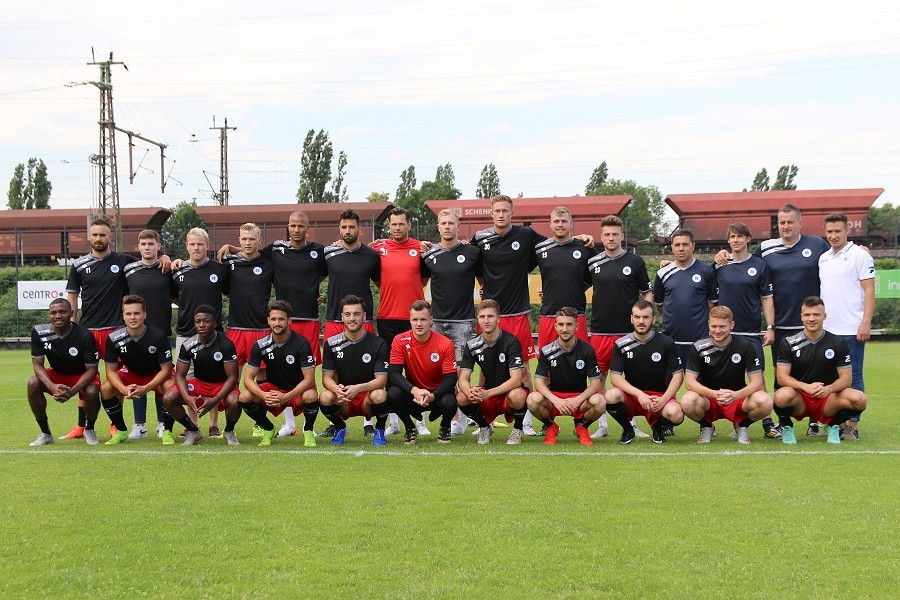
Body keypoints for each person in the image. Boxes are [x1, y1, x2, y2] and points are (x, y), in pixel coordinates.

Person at [715, 204, 830, 436]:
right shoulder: (765, 249)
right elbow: (743, 260)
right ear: (777, 224)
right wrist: (722, 254)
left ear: (800, 222)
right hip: (782, 325)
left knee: (816, 372)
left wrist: (860, 249)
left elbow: (837, 254)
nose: (786, 226)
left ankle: (815, 423)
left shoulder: (817, 244)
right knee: (781, 376)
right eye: (782, 222)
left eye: (790, 221)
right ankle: (781, 422)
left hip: (810, 321)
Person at [218, 212, 327, 438]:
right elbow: (251, 251)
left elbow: (325, 271)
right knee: (280, 373)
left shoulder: (319, 250)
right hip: (284, 319)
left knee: (308, 372)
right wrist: (230, 246)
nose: (296, 230)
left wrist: (313, 291)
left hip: (309, 320)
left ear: (308, 228)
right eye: (293, 226)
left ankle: (310, 427)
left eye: (301, 226)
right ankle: (288, 424)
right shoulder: (276, 249)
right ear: (288, 227)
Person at [65, 218, 168, 439]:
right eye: (95, 235)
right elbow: (71, 296)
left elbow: (148, 262)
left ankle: (116, 425)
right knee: (87, 380)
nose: (99, 239)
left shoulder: (124, 262)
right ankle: (81, 426)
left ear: (110, 237)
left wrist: (166, 257)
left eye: (103, 235)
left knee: (119, 378)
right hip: (88, 330)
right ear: (89, 237)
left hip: (117, 331)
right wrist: (72, 326)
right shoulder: (79, 265)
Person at [586, 214, 653, 439]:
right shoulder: (593, 262)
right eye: (607, 234)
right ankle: (602, 425)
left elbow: (647, 292)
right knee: (599, 378)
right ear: (601, 237)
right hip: (600, 331)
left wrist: (647, 317)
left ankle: (631, 424)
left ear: (622, 236)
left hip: (629, 332)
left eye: (615, 234)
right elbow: (575, 285)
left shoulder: (635, 262)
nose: (611, 238)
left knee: (631, 378)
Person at [773, 296, 868, 445]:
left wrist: (828, 389)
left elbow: (846, 379)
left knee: (859, 399)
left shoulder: (837, 342)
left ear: (824, 316)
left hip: (827, 398)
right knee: (781, 396)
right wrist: (805, 387)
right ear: (801, 317)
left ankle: (833, 425)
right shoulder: (789, 343)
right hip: (800, 398)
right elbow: (782, 378)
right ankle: (787, 427)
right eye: (807, 314)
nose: (811, 318)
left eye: (816, 314)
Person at [421, 208, 482, 435]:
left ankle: (465, 418)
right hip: (436, 322)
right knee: (439, 372)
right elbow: (419, 281)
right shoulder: (428, 255)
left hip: (463, 322)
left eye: (451, 223)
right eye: (443, 223)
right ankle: (453, 418)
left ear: (458, 226)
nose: (447, 227)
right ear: (438, 226)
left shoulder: (472, 253)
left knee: (460, 372)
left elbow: (484, 278)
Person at [371, 207, 431, 437]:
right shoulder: (380, 248)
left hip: (414, 319)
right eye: (393, 224)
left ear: (408, 224)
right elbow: (378, 278)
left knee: (417, 370)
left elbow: (423, 279)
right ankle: (394, 420)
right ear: (389, 226)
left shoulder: (420, 248)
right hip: (387, 317)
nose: (397, 228)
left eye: (400, 224)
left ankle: (420, 418)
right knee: (390, 370)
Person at [714, 222, 778, 438]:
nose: (736, 240)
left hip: (750, 333)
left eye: (740, 236)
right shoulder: (720, 264)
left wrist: (770, 327)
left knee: (757, 378)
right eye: (732, 237)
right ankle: (715, 423)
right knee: (723, 377)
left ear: (748, 239)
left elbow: (767, 298)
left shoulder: (759, 266)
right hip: (724, 334)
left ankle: (767, 422)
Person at [322, 209, 381, 439]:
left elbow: (380, 283)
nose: (348, 231)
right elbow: (312, 277)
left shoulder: (371, 255)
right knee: (333, 371)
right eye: (344, 227)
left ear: (360, 229)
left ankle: (369, 421)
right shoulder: (328, 253)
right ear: (339, 229)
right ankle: (334, 421)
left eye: (352, 227)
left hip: (363, 321)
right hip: (335, 320)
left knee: (366, 369)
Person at [818, 213, 875, 440]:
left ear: (846, 231)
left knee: (854, 377)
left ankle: (853, 424)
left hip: (852, 329)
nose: (833, 235)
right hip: (828, 330)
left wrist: (866, 321)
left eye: (837, 231)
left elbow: (869, 290)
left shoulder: (859, 256)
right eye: (829, 231)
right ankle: (837, 423)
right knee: (833, 379)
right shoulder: (823, 258)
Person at [680, 306, 774, 444]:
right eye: (714, 326)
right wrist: (714, 394)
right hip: (709, 399)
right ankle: (707, 426)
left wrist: (735, 395)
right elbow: (689, 382)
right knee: (688, 401)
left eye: (722, 326)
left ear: (732, 325)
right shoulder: (698, 346)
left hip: (737, 398)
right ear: (708, 324)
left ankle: (742, 425)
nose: (717, 331)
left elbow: (757, 382)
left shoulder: (745, 346)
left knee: (765, 401)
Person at [239, 301, 318, 447]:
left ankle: (308, 430)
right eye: (273, 319)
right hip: (273, 390)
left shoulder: (301, 343)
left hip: (295, 391)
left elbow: (309, 379)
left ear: (289, 320)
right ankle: (268, 428)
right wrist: (264, 395)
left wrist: (287, 396)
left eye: (281, 319)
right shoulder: (260, 345)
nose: (277, 323)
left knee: (311, 395)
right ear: (268, 321)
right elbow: (248, 379)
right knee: (244, 396)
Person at [604, 300, 685, 444]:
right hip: (632, 397)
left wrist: (664, 399)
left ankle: (658, 427)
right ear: (631, 319)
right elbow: (615, 377)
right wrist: (639, 394)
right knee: (610, 395)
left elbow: (678, 374)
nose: (641, 321)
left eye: (646, 317)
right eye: (637, 317)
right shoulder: (621, 344)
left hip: (658, 397)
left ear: (653, 319)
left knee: (676, 414)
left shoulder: (666, 343)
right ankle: (628, 429)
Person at [171, 227, 226, 437]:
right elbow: (174, 297)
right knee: (187, 380)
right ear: (187, 246)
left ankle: (213, 424)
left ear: (207, 246)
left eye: (200, 244)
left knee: (213, 378)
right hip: (186, 332)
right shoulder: (177, 271)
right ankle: (193, 426)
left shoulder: (219, 269)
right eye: (192, 244)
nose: (196, 248)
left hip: (214, 335)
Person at [100, 295, 175, 445]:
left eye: (137, 313)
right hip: (132, 374)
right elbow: (110, 371)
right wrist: (123, 389)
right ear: (123, 316)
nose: (132, 317)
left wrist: (146, 388)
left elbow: (166, 370)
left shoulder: (158, 335)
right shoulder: (114, 338)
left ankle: (167, 430)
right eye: (128, 314)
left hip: (156, 374)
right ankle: (121, 431)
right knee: (106, 388)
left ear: (144, 314)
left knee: (170, 387)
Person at [526, 307, 606, 446]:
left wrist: (577, 400)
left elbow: (596, 383)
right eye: (561, 324)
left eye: (569, 324)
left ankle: (582, 428)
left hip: (579, 400)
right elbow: (539, 382)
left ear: (577, 326)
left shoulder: (587, 350)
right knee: (532, 399)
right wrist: (555, 400)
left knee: (600, 401)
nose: (564, 329)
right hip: (554, 399)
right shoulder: (547, 350)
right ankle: (551, 427)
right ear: (555, 326)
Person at [162, 306, 240, 446]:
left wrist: (215, 399)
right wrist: (186, 396)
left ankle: (229, 431)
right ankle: (193, 430)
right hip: (199, 384)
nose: (201, 324)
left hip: (221, 384)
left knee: (235, 400)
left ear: (214, 323)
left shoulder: (226, 344)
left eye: (206, 321)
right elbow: (180, 375)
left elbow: (233, 376)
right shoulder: (188, 345)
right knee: (169, 398)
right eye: (198, 321)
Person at [26, 299, 101, 446]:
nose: (58, 315)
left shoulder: (85, 335)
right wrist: (52, 386)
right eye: (53, 313)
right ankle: (46, 434)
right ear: (49, 314)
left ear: (72, 313)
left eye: (62, 312)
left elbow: (92, 370)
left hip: (82, 374)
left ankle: (89, 429)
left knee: (92, 391)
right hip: (57, 373)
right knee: (33, 383)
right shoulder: (39, 332)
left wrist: (71, 392)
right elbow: (38, 365)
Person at [124, 229, 176, 439]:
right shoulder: (128, 270)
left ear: (158, 246)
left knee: (160, 379)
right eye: (143, 244)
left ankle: (162, 423)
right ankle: (139, 425)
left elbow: (178, 294)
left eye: (151, 244)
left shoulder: (167, 268)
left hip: (161, 332)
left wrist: (169, 259)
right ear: (138, 247)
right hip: (135, 334)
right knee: (137, 376)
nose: (147, 247)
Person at [319, 295, 391, 446]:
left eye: (356, 314)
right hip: (344, 398)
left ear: (364, 316)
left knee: (381, 394)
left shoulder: (378, 343)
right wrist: (336, 389)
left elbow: (381, 380)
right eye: (347, 314)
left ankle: (379, 429)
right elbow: (326, 378)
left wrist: (358, 388)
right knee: (325, 397)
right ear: (342, 317)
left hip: (367, 398)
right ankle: (340, 428)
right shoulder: (331, 344)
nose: (352, 318)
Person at [456, 300, 528, 445]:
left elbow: (516, 379)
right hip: (488, 394)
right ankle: (484, 426)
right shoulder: (472, 345)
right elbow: (463, 378)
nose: (486, 320)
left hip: (509, 394)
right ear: (478, 319)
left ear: (499, 318)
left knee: (518, 395)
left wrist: (488, 393)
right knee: (462, 397)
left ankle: (518, 430)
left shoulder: (511, 341)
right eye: (482, 317)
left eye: (490, 316)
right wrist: (469, 391)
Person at [388, 301, 458, 445]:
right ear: (410, 320)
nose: (419, 324)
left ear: (431, 319)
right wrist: (414, 390)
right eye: (415, 319)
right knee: (392, 392)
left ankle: (445, 427)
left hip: (437, 395)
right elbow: (394, 374)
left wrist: (432, 396)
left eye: (423, 319)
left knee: (451, 401)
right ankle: (409, 427)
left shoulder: (445, 343)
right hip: (413, 395)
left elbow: (451, 378)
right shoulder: (399, 340)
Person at [653, 229, 717, 365]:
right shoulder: (662, 273)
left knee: (698, 384)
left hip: (699, 340)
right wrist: (673, 317)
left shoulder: (706, 271)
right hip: (671, 340)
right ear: (671, 247)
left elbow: (712, 304)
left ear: (693, 246)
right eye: (677, 245)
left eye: (685, 244)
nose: (681, 248)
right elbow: (660, 305)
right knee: (668, 382)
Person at [534, 207, 592, 349]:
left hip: (576, 315)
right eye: (557, 221)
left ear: (571, 224)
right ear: (551, 224)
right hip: (549, 315)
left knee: (578, 363)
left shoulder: (584, 247)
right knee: (546, 365)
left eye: (564, 221)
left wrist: (577, 288)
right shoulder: (540, 249)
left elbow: (595, 276)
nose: (560, 224)